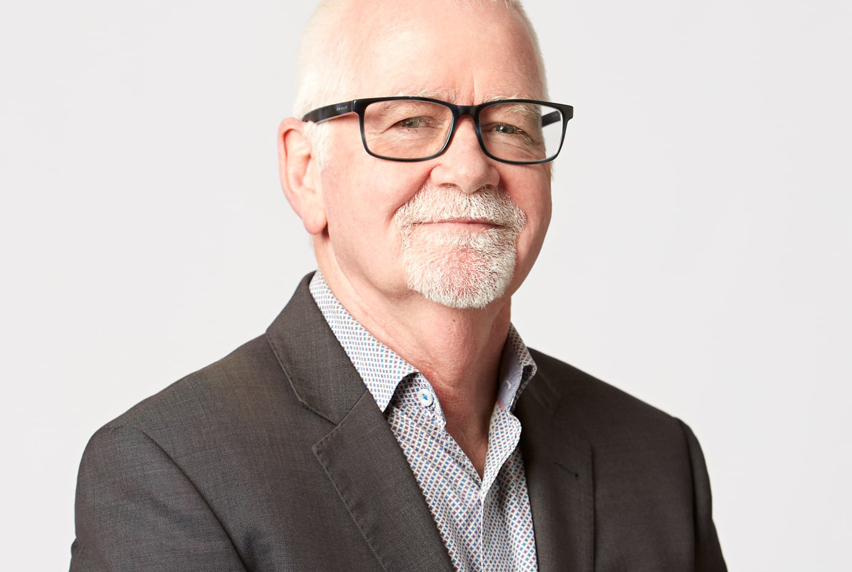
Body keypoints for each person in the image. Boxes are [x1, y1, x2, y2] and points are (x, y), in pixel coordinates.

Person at [70, 0, 727, 570]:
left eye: (508, 124)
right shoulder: (171, 470)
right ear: (305, 172)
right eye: (411, 122)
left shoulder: (656, 459)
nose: (471, 169)